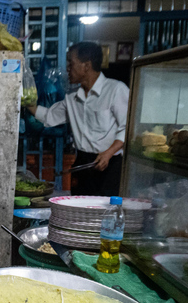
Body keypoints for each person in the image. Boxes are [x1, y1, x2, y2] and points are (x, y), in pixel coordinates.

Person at [27, 42, 129, 196]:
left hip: (110, 164)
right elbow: (48, 116)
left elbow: (127, 127)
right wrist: (24, 99)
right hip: (82, 162)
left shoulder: (115, 90)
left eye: (71, 63)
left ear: (86, 66)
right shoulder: (72, 98)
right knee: (79, 211)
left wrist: (108, 153)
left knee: (105, 212)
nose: (67, 68)